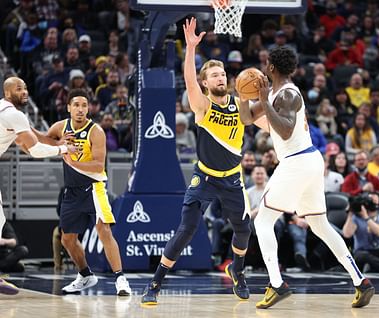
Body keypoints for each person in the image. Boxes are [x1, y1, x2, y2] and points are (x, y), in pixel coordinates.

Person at [239, 46, 374, 309]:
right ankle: (360, 281)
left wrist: (264, 101)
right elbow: (246, 119)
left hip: (296, 161)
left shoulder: (287, 94)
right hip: (308, 161)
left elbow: (287, 131)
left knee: (263, 221)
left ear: (271, 68)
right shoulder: (276, 94)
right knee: (319, 225)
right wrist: (243, 94)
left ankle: (277, 284)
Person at [141, 18, 252, 305]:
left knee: (243, 230)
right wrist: (190, 48)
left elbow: (265, 122)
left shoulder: (241, 106)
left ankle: (237, 272)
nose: (220, 78)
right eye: (214, 75)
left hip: (231, 177)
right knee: (186, 229)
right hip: (204, 176)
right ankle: (155, 283)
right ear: (205, 83)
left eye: (223, 73)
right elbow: (189, 80)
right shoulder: (202, 106)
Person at [37, 89, 132, 296]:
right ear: (69, 107)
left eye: (84, 105)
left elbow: (98, 166)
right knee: (67, 239)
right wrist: (59, 144)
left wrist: (73, 160)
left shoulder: (95, 131)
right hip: (72, 191)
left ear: (88, 109)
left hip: (94, 188)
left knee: (104, 230)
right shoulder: (61, 127)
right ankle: (85, 275)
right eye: (76, 105)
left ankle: (120, 278)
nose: (80, 109)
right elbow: (43, 141)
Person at [0, 76, 77, 295]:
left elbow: (31, 137)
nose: (24, 91)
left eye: (25, 87)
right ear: (8, 93)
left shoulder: (6, 112)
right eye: (18, 89)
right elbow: (33, 150)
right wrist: (63, 150)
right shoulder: (13, 115)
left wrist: (57, 143)